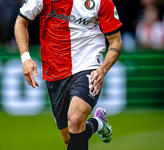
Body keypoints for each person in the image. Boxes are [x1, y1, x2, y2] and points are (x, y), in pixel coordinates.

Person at [14, 0, 122, 149]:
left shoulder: (101, 2)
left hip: (88, 65)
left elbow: (116, 42)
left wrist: (102, 70)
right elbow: (20, 22)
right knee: (69, 138)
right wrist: (25, 59)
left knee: (76, 119)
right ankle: (97, 123)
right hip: (54, 70)